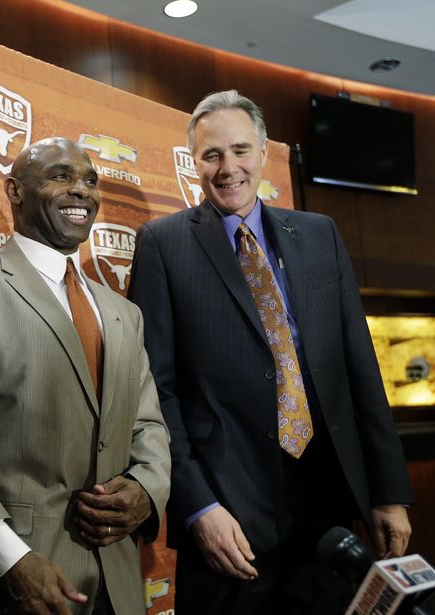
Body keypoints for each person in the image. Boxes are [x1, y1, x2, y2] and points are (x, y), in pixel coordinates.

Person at [127, 89, 413, 614]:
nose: (228, 167)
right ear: (194, 161)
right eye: (212, 155)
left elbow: (359, 370)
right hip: (228, 519)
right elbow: (155, 392)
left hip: (327, 507)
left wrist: (387, 490)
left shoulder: (319, 234)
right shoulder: (163, 244)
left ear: (262, 153)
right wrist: (198, 508)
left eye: (240, 151)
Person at [0, 137, 171, 615]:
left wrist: (146, 492)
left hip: (120, 582)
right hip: (12, 584)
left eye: (91, 181)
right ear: (14, 191)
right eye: (60, 176)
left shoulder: (124, 313)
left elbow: (147, 426)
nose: (81, 191)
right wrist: (9, 558)